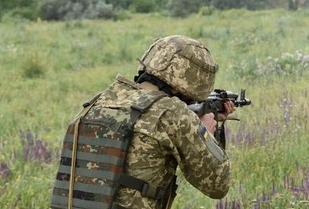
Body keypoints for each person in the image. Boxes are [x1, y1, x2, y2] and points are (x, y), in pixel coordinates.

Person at [51, 35, 234, 209]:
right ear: (195, 79)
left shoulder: (98, 102)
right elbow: (218, 184)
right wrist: (206, 133)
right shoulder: (173, 114)